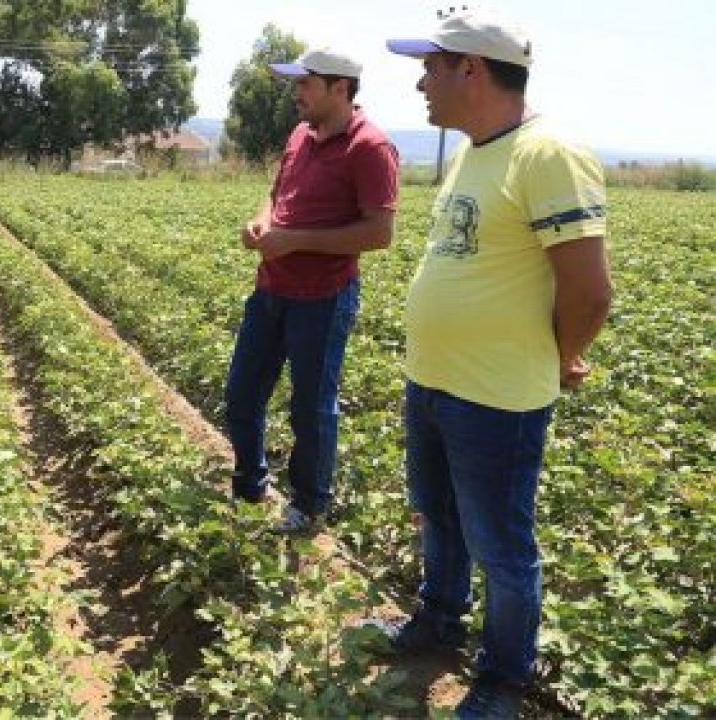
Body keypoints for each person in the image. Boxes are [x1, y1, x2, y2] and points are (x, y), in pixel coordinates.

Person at [384, 10, 613, 719]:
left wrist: (560, 353)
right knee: (440, 519)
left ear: (470, 70)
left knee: (502, 545)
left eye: (430, 66)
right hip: (434, 382)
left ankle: (503, 678)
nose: (421, 81)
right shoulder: (471, 152)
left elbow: (589, 289)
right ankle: (439, 619)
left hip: (496, 397)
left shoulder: (548, 153)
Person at [224, 47, 399, 533]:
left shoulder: (371, 147)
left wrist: (294, 241)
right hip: (271, 290)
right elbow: (276, 195)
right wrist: (261, 222)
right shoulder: (300, 134)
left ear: (339, 88)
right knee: (241, 394)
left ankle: (308, 504)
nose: (296, 91)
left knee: (311, 405)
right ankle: (249, 486)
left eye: (305, 83)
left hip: (323, 298)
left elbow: (379, 233)